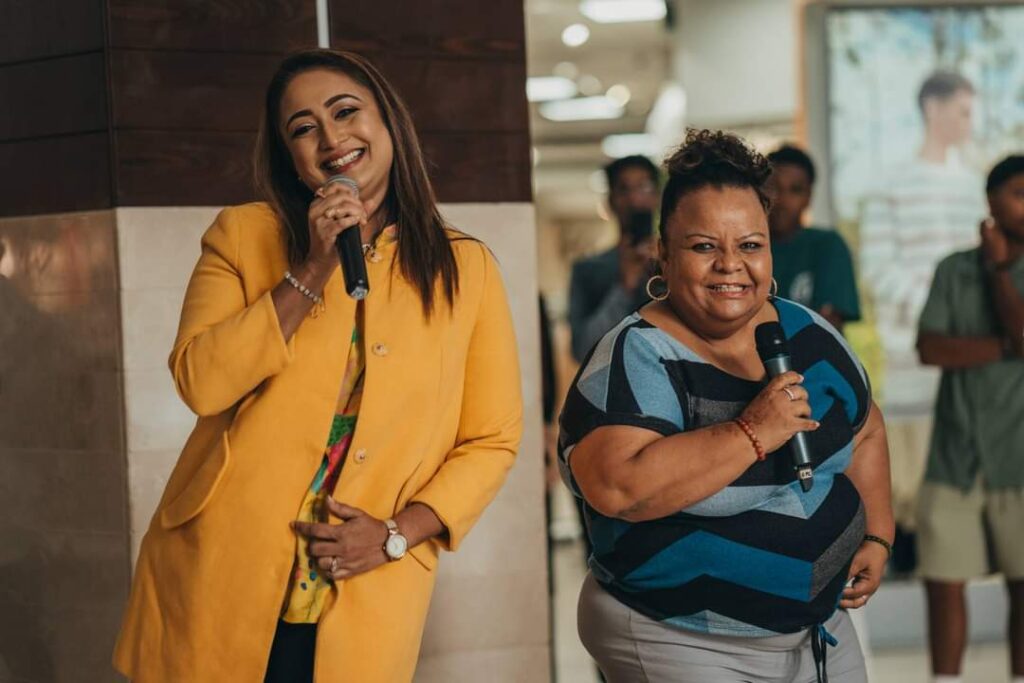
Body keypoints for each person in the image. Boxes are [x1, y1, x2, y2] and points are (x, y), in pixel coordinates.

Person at [112, 49, 523, 683]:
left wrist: (396, 533)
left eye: (346, 112)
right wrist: (312, 266)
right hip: (219, 576)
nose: (331, 139)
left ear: (388, 122)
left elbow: (491, 439)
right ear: (290, 157)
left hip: (364, 590)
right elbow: (201, 382)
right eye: (303, 128)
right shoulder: (242, 235)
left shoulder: (467, 268)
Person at [558, 129, 894, 683]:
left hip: (816, 628)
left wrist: (878, 534)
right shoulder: (637, 354)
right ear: (664, 253)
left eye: (750, 245)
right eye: (704, 246)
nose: (730, 265)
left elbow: (866, 429)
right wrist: (753, 431)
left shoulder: (808, 333)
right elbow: (619, 487)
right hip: (678, 635)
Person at [915, 155, 1024, 683]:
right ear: (991, 202)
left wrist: (1000, 271)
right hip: (954, 454)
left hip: (1018, 455)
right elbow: (931, 348)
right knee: (942, 582)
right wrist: (1006, 347)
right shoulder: (952, 269)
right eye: (1019, 194)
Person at [568, 155, 660, 362]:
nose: (634, 199)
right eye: (623, 190)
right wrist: (624, 286)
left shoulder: (678, 262)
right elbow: (582, 350)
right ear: (610, 201)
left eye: (644, 187)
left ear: (657, 195)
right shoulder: (587, 270)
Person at [766, 144, 860, 332]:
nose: (783, 200)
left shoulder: (827, 246)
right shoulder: (741, 249)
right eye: (774, 188)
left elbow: (824, 329)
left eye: (795, 190)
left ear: (809, 196)